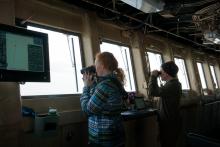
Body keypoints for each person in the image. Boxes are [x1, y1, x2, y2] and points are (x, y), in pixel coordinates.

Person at [80, 52, 126, 147]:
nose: (95, 68)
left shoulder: (105, 86)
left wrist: (86, 87)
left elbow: (87, 110)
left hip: (103, 139)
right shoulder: (114, 82)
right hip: (115, 138)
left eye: (96, 64)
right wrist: (92, 85)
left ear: (102, 66)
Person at [148, 61, 182, 147]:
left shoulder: (172, 85)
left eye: (161, 71)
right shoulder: (173, 84)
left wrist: (153, 76)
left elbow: (152, 91)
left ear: (167, 73)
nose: (160, 73)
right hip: (169, 122)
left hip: (169, 124)